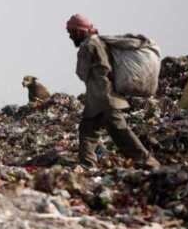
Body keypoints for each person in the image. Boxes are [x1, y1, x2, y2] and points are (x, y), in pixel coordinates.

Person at [66, 14, 160, 169]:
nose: (70, 36)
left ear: (79, 31)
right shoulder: (98, 42)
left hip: (104, 96)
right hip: (99, 97)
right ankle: (86, 164)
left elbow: (83, 72)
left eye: (71, 32)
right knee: (88, 130)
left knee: (120, 131)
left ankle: (147, 161)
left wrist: (93, 76)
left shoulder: (88, 45)